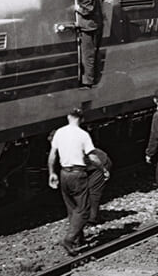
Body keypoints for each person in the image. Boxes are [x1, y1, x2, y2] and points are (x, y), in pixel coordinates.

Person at [47, 108, 95, 255]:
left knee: (72, 208)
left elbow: (52, 155)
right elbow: (92, 157)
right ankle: (69, 239)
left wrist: (52, 173)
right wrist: (102, 168)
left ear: (68, 117)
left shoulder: (59, 132)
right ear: (82, 119)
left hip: (64, 173)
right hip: (77, 174)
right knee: (84, 210)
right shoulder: (83, 134)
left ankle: (78, 239)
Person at [72, 0, 104, 87]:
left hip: (88, 27)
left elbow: (88, 10)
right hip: (97, 24)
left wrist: (77, 8)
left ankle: (88, 82)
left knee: (87, 55)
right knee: (94, 53)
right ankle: (95, 78)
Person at [85, 147, 111, 225]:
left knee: (93, 191)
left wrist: (104, 170)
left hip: (100, 162)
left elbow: (93, 158)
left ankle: (92, 218)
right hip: (88, 165)